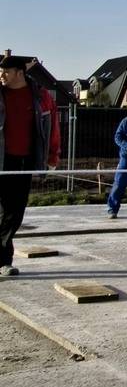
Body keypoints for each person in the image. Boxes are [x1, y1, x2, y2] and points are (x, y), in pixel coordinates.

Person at [0, 55, 60, 277]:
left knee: (14, 212)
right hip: (1, 159)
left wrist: (53, 156)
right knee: (3, 210)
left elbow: (52, 127)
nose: (1, 76)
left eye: (5, 72)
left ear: (19, 72)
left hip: (22, 161)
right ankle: (3, 260)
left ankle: (3, 260)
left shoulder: (41, 97)